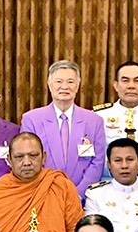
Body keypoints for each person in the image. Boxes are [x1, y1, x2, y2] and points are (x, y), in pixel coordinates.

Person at [19, 59, 107, 197]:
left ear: (78, 85)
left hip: (83, 197)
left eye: (70, 82)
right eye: (59, 81)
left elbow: (97, 162)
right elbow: (29, 160)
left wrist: (77, 194)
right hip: (43, 194)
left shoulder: (94, 121)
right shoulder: (31, 119)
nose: (64, 86)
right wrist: (51, 193)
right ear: (49, 84)